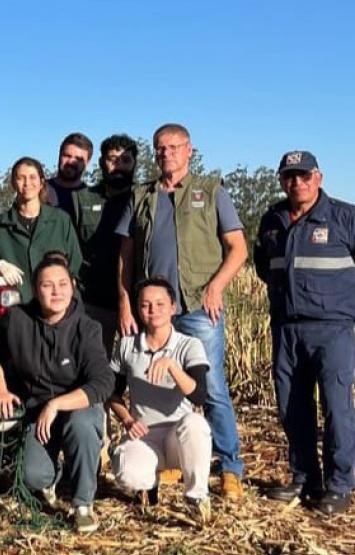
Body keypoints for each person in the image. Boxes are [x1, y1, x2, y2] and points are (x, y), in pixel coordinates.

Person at [116, 123, 248, 500]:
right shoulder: (141, 195)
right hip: (151, 310)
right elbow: (125, 255)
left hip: (195, 307)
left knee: (212, 387)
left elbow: (237, 248)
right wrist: (126, 302)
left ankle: (230, 467)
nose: (166, 154)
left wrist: (215, 287)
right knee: (146, 382)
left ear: (189, 150)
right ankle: (162, 459)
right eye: (160, 149)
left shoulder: (211, 192)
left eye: (174, 147)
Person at [254, 151, 355, 515]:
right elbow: (265, 267)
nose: (296, 183)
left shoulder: (345, 217)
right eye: (289, 176)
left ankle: (340, 485)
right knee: (292, 408)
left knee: (337, 409)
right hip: (286, 328)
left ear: (319, 177)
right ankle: (305, 477)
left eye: (303, 176)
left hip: (333, 329)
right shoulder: (273, 220)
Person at [0, 254, 113, 533]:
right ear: (35, 289)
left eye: (62, 284)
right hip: (38, 412)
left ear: (72, 286)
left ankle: (82, 505)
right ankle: (53, 475)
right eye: (47, 285)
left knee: (80, 426)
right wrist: (1, 389)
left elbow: (103, 382)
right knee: (33, 477)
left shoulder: (87, 328)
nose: (56, 291)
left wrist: (56, 404)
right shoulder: (17, 321)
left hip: (78, 406)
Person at [109, 277, 212, 522]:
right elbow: (111, 394)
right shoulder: (126, 346)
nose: (152, 310)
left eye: (159, 304)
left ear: (173, 307)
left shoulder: (189, 345)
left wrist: (172, 367)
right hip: (144, 434)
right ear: (137, 309)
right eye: (145, 305)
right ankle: (149, 483)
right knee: (127, 475)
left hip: (179, 436)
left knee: (196, 424)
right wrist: (127, 420)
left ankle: (196, 496)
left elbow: (199, 395)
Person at [66, 134, 138, 352]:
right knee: (92, 360)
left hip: (135, 300)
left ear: (135, 164)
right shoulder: (83, 198)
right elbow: (70, 244)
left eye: (125, 161)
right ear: (101, 163)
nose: (119, 166)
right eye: (112, 159)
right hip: (92, 300)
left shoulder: (143, 198)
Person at [0, 157, 82, 305]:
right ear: (13, 183)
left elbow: (75, 264)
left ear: (41, 182)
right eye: (21, 178)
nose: (27, 183)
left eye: (33, 177)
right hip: (18, 307)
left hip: (57, 307)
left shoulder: (61, 221)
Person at [44, 132, 93, 214]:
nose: (71, 162)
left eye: (78, 159)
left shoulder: (92, 199)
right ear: (59, 155)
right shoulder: (38, 192)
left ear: (87, 162)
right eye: (67, 156)